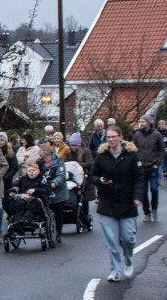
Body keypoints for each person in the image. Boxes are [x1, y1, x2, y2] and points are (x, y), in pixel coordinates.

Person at [92, 126, 145, 282]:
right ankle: (115, 270)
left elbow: (139, 178)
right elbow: (94, 175)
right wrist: (100, 181)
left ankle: (128, 259)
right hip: (107, 202)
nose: (111, 140)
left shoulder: (131, 156)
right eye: (108, 137)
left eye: (114, 137)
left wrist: (137, 196)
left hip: (126, 201)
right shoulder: (102, 156)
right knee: (111, 240)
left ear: (120, 137)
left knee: (128, 238)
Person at [132, 115, 164, 222]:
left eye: (143, 122)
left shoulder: (156, 135)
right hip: (141, 167)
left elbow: (162, 150)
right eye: (140, 121)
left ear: (149, 123)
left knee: (154, 189)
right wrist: (137, 161)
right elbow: (133, 149)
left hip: (153, 166)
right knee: (143, 191)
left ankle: (154, 209)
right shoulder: (137, 135)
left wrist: (157, 163)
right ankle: (147, 212)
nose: (141, 123)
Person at [37, 142, 68, 243]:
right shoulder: (39, 163)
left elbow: (62, 176)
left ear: (45, 152)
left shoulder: (59, 163)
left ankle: (58, 232)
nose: (38, 152)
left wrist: (53, 184)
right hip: (45, 193)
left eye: (40, 150)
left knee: (57, 213)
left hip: (58, 193)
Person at [65, 133, 95, 203]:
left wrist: (76, 164)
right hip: (73, 176)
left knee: (84, 198)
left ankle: (85, 212)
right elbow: (66, 163)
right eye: (72, 145)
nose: (73, 147)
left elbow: (89, 163)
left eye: (75, 146)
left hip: (85, 176)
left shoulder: (86, 151)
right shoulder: (68, 152)